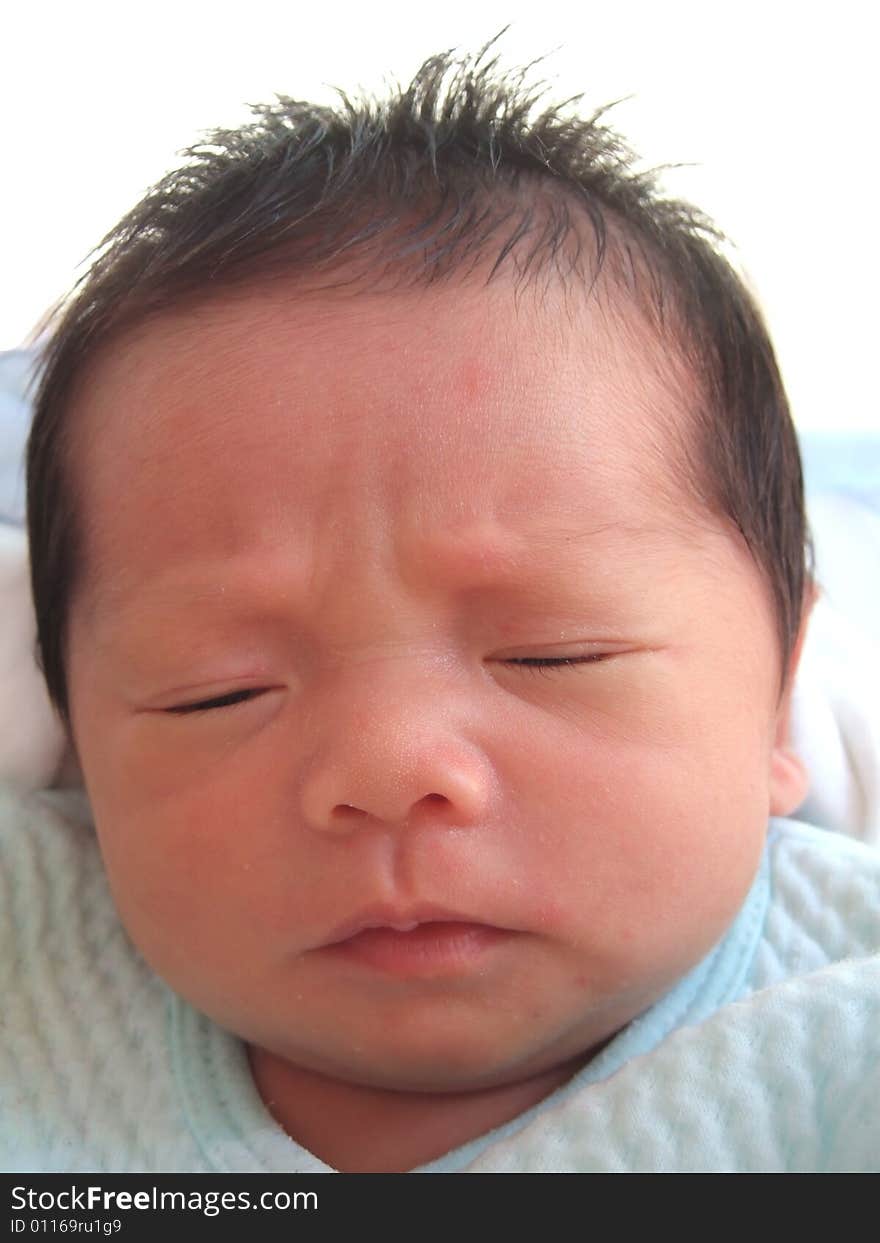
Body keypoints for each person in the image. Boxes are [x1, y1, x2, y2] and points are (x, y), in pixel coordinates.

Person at [3, 43, 879, 1173]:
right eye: (217, 691)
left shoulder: (837, 1030)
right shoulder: (34, 950)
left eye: (550, 655)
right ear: (77, 737)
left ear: (774, 708)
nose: (385, 768)